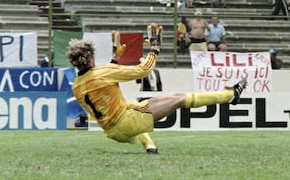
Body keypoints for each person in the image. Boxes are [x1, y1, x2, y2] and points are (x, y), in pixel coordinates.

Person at [67, 38, 246, 154]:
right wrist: (154, 49)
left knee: (134, 105)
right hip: (126, 122)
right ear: (90, 58)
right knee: (179, 98)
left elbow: (102, 85)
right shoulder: (103, 72)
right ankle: (230, 95)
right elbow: (144, 70)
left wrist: (115, 60)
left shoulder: (77, 85)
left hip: (112, 132)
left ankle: (150, 145)